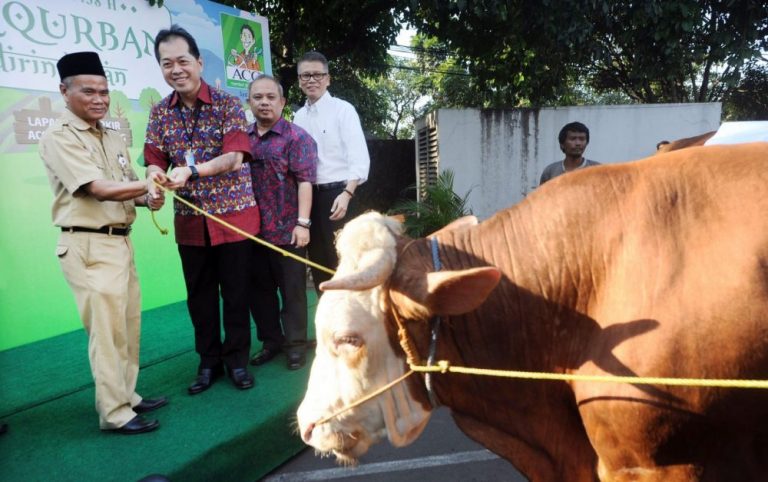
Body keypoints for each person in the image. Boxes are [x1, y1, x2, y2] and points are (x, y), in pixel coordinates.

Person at [39, 51, 168, 434]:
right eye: (88, 91)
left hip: (120, 243)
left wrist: (148, 198)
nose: (99, 99)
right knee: (106, 334)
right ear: (64, 91)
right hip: (88, 246)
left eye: (104, 91)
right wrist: (150, 182)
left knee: (127, 326)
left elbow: (124, 190)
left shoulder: (111, 135)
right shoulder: (58, 136)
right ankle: (114, 413)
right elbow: (98, 189)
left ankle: (127, 396)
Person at [144, 25, 258, 394]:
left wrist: (193, 170)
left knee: (237, 294)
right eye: (166, 63)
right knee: (200, 297)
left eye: (182, 61)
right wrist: (156, 182)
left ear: (198, 61)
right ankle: (208, 363)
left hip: (234, 218)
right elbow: (153, 159)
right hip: (191, 223)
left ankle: (237, 360)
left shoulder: (227, 105)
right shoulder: (160, 112)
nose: (175, 69)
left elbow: (236, 157)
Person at [246, 75, 318, 370]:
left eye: (270, 97)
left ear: (282, 102)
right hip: (250, 231)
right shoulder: (242, 139)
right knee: (259, 292)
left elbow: (305, 182)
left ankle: (296, 344)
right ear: (249, 101)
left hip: (288, 230)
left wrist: (303, 224)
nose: (264, 102)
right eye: (258, 97)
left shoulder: (297, 137)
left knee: (293, 292)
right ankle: (271, 341)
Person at [292, 51, 370, 293]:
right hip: (308, 198)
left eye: (317, 74)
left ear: (328, 79)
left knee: (345, 262)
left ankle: (355, 324)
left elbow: (359, 158)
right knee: (318, 263)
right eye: (306, 75)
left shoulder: (343, 110)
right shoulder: (298, 116)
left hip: (338, 195)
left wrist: (347, 194)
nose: (311, 80)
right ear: (299, 80)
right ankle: (328, 322)